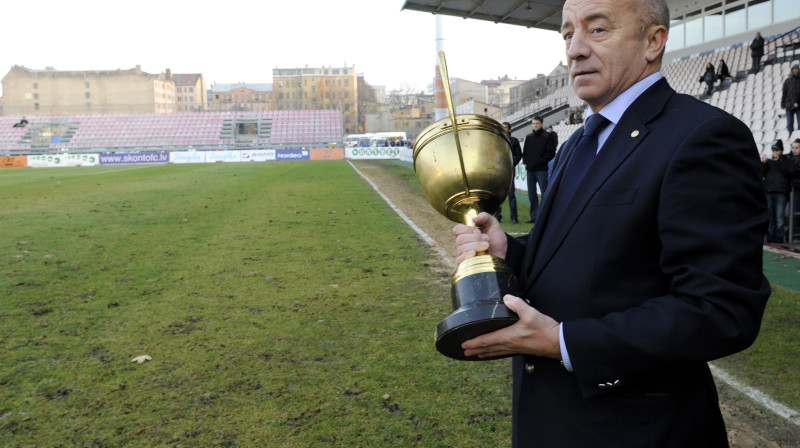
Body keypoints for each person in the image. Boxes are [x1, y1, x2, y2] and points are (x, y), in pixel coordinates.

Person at [453, 0, 769, 446]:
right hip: (553, 421)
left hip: (636, 430)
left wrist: (563, 342)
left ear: (653, 42)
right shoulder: (579, 142)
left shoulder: (703, 137)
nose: (575, 50)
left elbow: (721, 309)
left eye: (597, 30)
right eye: (567, 34)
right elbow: (576, 254)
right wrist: (512, 252)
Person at [520, 116, 556, 223]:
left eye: (537, 123)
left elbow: (551, 153)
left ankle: (545, 216)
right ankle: (534, 217)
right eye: (533, 123)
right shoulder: (529, 137)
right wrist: (526, 163)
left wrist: (539, 161)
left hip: (541, 170)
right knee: (532, 195)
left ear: (542, 124)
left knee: (544, 194)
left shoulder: (548, 136)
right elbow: (525, 152)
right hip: (530, 170)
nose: (535, 125)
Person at [763, 140, 793, 243]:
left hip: (781, 193)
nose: (774, 152)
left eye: (777, 150)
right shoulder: (769, 162)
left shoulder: (786, 160)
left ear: (781, 151)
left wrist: (779, 161)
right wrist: (764, 163)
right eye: (773, 150)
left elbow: (788, 171)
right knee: (770, 217)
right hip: (769, 192)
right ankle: (770, 237)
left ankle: (779, 238)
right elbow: (762, 173)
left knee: (779, 218)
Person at [494, 121, 522, 224]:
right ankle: (497, 216)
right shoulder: (496, 140)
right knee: (497, 195)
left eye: (505, 128)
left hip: (509, 171)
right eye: (502, 127)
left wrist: (511, 165)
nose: (504, 129)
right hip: (497, 172)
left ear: (509, 129)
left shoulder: (514, 141)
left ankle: (514, 217)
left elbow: (519, 155)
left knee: (511, 195)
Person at [781, 64, 800, 134]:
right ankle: (791, 138)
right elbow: (784, 93)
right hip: (789, 105)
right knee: (789, 124)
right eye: (793, 69)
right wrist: (783, 104)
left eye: (796, 69)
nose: (794, 70)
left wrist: (798, 102)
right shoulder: (787, 81)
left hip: (799, 106)